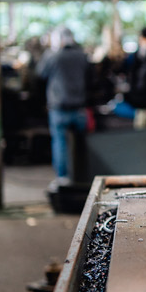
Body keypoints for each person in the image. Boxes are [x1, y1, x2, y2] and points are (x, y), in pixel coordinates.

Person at [34, 27, 90, 187]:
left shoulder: (54, 57)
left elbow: (40, 74)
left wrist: (49, 52)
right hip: (79, 106)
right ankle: (82, 175)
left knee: (60, 143)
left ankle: (63, 178)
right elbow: (91, 77)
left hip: (59, 107)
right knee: (81, 143)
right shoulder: (82, 56)